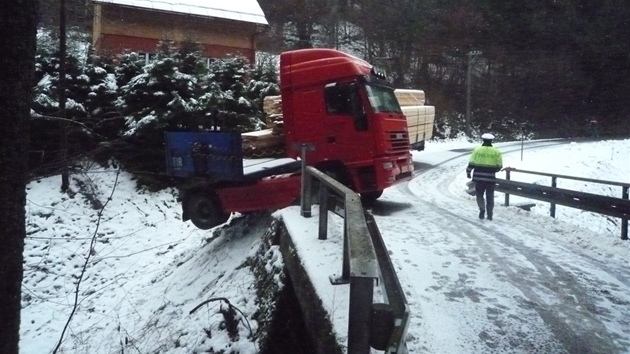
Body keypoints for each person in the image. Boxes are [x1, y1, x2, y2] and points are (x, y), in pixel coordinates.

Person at [466, 133, 503, 220]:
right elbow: (499, 166)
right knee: (490, 196)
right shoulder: (496, 152)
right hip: (490, 179)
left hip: (478, 178)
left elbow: (471, 163)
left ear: (483, 140)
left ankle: (482, 209)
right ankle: (490, 214)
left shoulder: (477, 150)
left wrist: (468, 173)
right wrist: (492, 170)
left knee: (479, 194)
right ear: (491, 141)